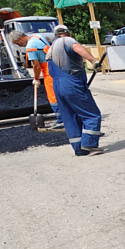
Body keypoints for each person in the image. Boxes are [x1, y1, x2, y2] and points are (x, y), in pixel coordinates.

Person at [47, 24, 104, 156]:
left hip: (58, 85)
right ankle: (89, 143)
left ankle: (79, 149)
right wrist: (93, 61)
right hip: (71, 83)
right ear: (67, 33)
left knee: (70, 117)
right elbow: (76, 47)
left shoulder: (51, 48)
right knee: (92, 114)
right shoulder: (66, 40)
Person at [8, 30, 64, 131]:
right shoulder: (38, 36)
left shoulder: (30, 47)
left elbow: (36, 66)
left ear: (20, 39)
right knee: (62, 94)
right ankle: (71, 117)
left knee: (53, 97)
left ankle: (61, 120)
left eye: (18, 43)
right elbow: (47, 39)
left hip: (49, 72)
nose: (20, 46)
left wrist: (36, 79)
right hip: (58, 67)